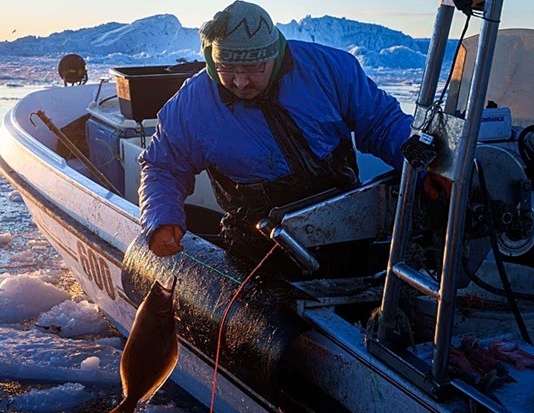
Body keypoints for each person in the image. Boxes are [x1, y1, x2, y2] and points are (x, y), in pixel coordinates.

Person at [138, 0, 413, 276]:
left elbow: (383, 123)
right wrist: (161, 219)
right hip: (257, 246)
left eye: (253, 68)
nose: (240, 82)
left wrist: (423, 168)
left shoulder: (330, 69)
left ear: (274, 55)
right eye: (227, 68)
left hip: (345, 226)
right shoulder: (192, 103)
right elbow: (164, 167)